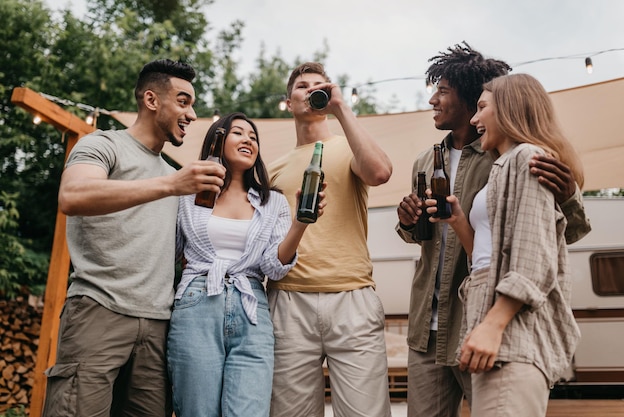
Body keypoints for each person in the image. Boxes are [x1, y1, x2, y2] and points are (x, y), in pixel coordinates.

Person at [395, 43, 591, 417]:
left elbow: (550, 239)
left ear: (474, 101)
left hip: (482, 316)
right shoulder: (425, 161)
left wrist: (568, 197)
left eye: (443, 91)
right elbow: (429, 236)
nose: (433, 100)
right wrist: (407, 222)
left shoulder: (507, 156)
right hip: (428, 328)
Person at [43, 58, 226, 417]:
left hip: (158, 326)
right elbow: (73, 197)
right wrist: (172, 185)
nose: (192, 114)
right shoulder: (104, 145)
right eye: (184, 101)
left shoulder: (177, 177)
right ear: (151, 99)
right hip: (98, 310)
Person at [167, 112, 325, 417]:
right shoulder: (188, 193)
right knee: (197, 411)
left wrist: (300, 224)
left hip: (251, 309)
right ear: (217, 141)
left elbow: (273, 267)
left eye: (253, 137)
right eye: (238, 133)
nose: (248, 140)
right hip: (197, 301)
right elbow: (169, 251)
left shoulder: (272, 202)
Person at [267, 62, 393, 417]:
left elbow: (380, 172)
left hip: (351, 298)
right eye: (302, 86)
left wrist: (341, 108)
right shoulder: (273, 169)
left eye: (318, 85)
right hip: (287, 301)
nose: (310, 90)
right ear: (288, 102)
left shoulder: (350, 148)